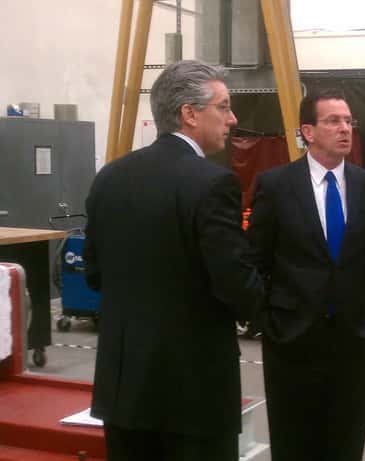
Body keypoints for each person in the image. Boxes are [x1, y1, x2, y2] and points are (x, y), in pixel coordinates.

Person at [84, 60, 265, 461]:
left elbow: (95, 274)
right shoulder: (212, 183)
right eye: (224, 106)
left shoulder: (109, 178)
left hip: (123, 391)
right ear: (189, 114)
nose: (232, 119)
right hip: (193, 397)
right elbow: (234, 284)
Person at [247, 88, 365, 461]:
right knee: (294, 445)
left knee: (346, 444)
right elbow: (255, 260)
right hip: (292, 343)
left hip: (356, 343)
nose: (345, 129)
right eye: (333, 121)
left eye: (348, 121)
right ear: (307, 132)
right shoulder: (276, 186)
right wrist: (268, 321)